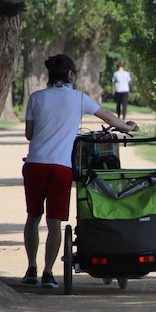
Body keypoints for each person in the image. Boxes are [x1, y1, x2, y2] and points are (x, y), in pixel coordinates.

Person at [22, 54, 138, 288]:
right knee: (55, 222)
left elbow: (29, 134)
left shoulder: (36, 98)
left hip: (35, 164)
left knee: (33, 217)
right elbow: (109, 117)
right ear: (71, 75)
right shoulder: (79, 99)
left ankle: (31, 268)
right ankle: (48, 273)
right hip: (60, 167)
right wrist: (128, 127)